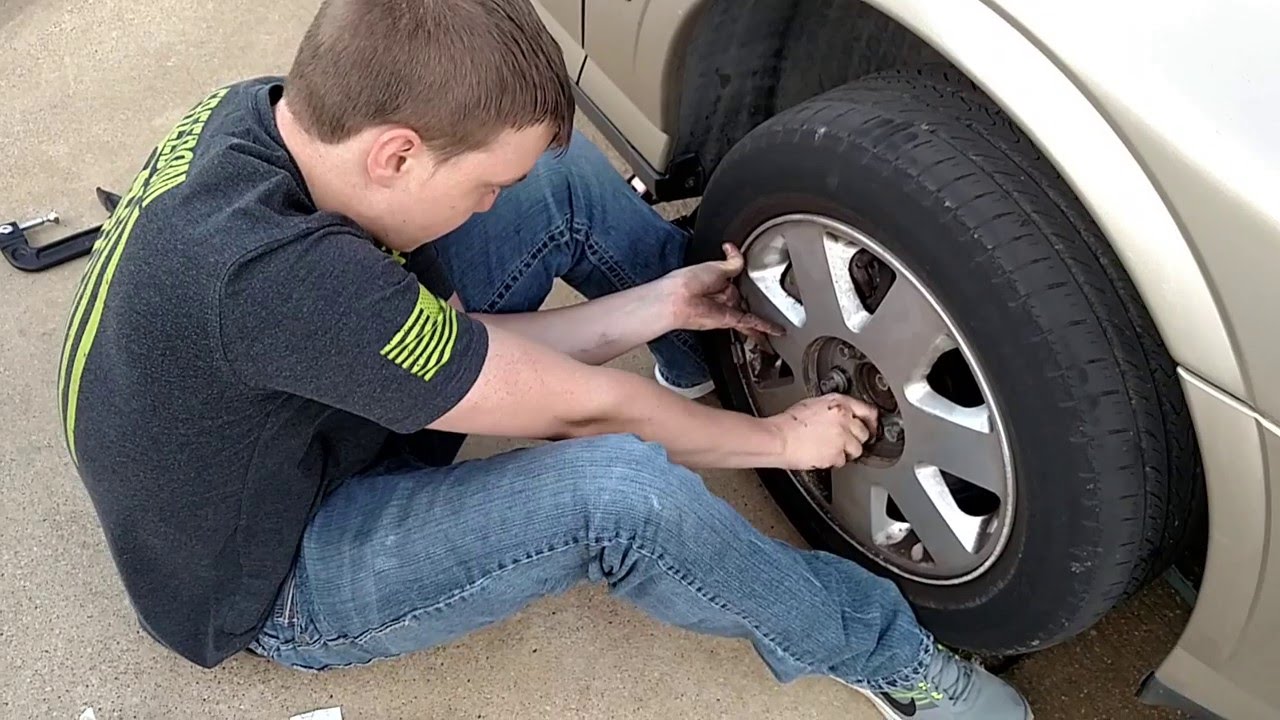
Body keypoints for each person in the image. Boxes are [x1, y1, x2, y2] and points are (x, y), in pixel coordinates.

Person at [59, 1, 1032, 718]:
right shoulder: (289, 279)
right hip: (268, 571)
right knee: (617, 493)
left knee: (558, 180)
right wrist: (771, 440)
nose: (490, 206)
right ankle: (885, 654)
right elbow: (581, 411)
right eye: (480, 185)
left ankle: (702, 335)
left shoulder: (273, 118)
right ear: (395, 155)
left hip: (279, 411)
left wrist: (654, 300)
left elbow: (457, 350)